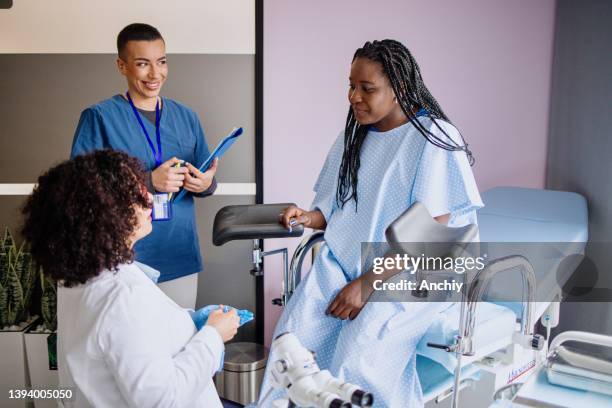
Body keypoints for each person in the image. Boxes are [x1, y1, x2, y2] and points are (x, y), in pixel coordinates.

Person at [258, 40, 483, 407]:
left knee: (356, 360)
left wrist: (367, 284)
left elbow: (432, 235)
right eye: (351, 85)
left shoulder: (434, 139)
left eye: (368, 89)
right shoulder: (355, 135)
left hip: (412, 273)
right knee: (291, 343)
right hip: (347, 261)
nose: (354, 97)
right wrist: (307, 216)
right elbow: (334, 207)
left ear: (400, 89)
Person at [21, 149, 240, 407]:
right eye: (135, 195)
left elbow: (122, 339)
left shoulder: (79, 277)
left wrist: (189, 322)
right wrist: (214, 336)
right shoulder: (122, 297)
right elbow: (164, 400)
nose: (149, 198)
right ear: (104, 216)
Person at [70, 23, 216, 308]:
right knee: (129, 349)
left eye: (161, 62)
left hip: (179, 257)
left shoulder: (187, 117)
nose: (155, 74)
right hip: (124, 262)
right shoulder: (99, 117)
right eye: (142, 64)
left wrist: (206, 184)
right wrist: (149, 182)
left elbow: (207, 177)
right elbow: (79, 187)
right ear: (121, 66)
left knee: (181, 346)